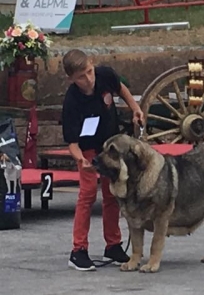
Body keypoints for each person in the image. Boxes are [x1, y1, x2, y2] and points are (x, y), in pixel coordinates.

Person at [61, 49, 144, 270]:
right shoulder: (72, 101)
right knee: (87, 195)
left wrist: (135, 108)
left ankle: (113, 244)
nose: (88, 79)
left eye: (89, 72)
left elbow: (121, 88)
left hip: (110, 146)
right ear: (71, 78)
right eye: (81, 77)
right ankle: (78, 250)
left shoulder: (105, 75)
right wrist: (81, 161)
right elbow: (72, 142)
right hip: (86, 149)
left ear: (93, 65)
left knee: (112, 194)